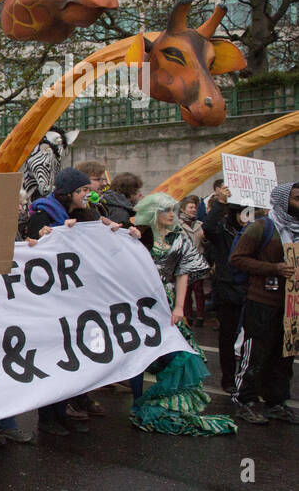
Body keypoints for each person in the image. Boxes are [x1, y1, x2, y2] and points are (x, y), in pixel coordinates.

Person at [25, 167, 138, 434]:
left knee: (69, 358)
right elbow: (33, 247)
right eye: (82, 190)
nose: (88, 194)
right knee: (52, 360)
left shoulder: (85, 215)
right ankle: (48, 417)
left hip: (73, 301)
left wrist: (125, 233)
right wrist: (53, 232)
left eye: (88, 190)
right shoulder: (44, 213)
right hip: (49, 301)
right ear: (68, 193)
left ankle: (64, 410)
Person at [129, 193, 235, 435]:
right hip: (139, 302)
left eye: (173, 210)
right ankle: (136, 400)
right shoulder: (139, 236)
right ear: (153, 213)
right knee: (137, 353)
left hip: (164, 301)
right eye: (165, 210)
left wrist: (178, 307)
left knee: (178, 352)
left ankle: (167, 401)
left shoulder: (179, 238)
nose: (170, 215)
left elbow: (183, 274)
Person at [229, 182, 299, 425]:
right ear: (283, 201)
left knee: (284, 356)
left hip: (291, 305)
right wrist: (274, 268)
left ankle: (276, 402)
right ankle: (244, 401)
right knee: (255, 354)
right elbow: (237, 259)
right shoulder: (263, 227)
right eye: (297, 199)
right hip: (262, 301)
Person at [204, 199, 250, 391]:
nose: (247, 218)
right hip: (228, 291)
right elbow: (208, 227)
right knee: (228, 337)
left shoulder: (253, 232)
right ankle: (229, 379)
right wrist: (219, 203)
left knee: (252, 339)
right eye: (243, 213)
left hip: (251, 291)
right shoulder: (222, 232)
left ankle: (248, 380)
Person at [179, 196, 207, 326]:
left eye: (195, 207)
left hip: (198, 261)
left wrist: (205, 240)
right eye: (190, 207)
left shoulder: (200, 225)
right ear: (183, 210)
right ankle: (188, 315)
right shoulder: (177, 226)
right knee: (186, 290)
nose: (193, 210)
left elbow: (206, 244)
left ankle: (200, 316)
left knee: (199, 290)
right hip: (183, 262)